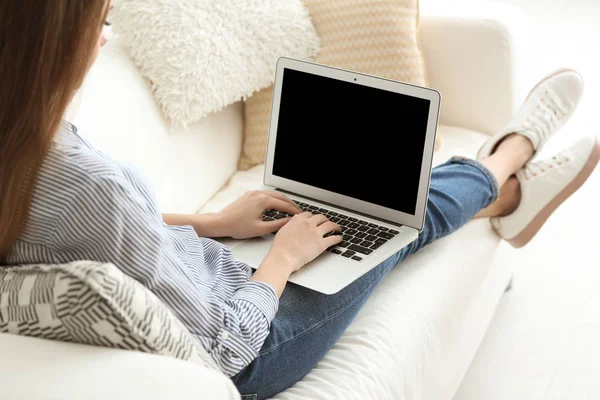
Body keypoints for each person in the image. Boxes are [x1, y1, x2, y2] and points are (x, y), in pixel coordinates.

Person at [1, 1, 598, 399]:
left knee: (371, 215)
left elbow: (97, 232)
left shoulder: (23, 141)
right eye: (99, 22)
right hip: (261, 344)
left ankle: (503, 184)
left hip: (210, 278)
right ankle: (508, 162)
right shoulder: (82, 180)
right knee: (394, 221)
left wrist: (211, 223)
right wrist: (282, 258)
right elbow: (231, 347)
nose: (105, 40)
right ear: (50, 46)